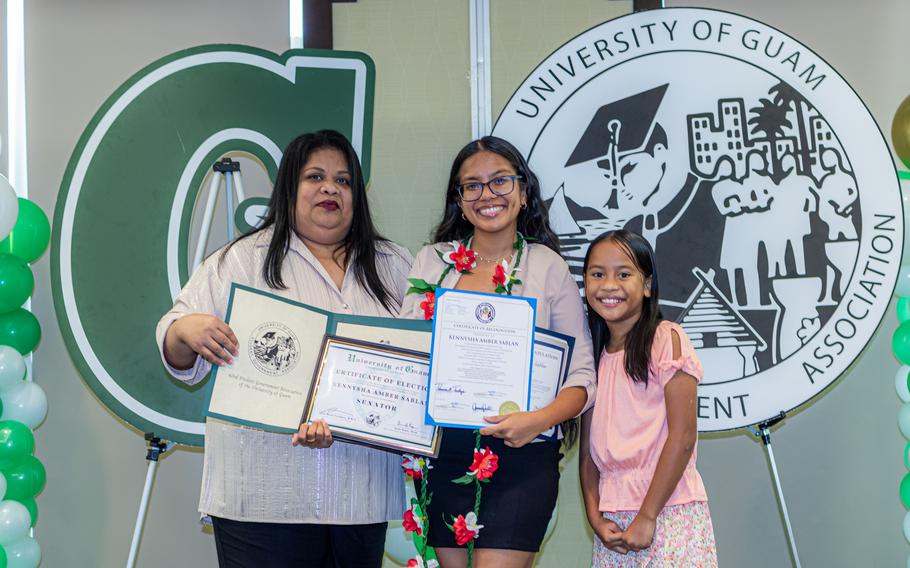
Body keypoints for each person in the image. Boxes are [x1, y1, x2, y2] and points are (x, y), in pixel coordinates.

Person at [156, 130, 412, 568]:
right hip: (262, 495)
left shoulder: (396, 266)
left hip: (361, 495)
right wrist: (186, 330)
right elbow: (177, 350)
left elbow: (421, 363)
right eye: (315, 176)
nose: (331, 187)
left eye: (344, 180)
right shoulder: (239, 260)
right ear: (289, 189)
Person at [400, 136, 596, 568]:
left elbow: (582, 375)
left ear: (523, 192)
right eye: (472, 185)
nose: (487, 195)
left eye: (500, 182)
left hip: (523, 450)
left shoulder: (547, 265)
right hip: (443, 449)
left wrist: (539, 421)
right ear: (459, 199)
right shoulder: (432, 262)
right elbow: (407, 353)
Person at [579, 230, 718, 567]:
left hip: (667, 511)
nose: (609, 284)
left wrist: (647, 515)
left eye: (623, 274)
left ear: (647, 286)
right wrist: (595, 517)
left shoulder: (666, 339)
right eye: (597, 274)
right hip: (613, 523)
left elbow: (683, 437)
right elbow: (587, 454)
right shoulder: (591, 356)